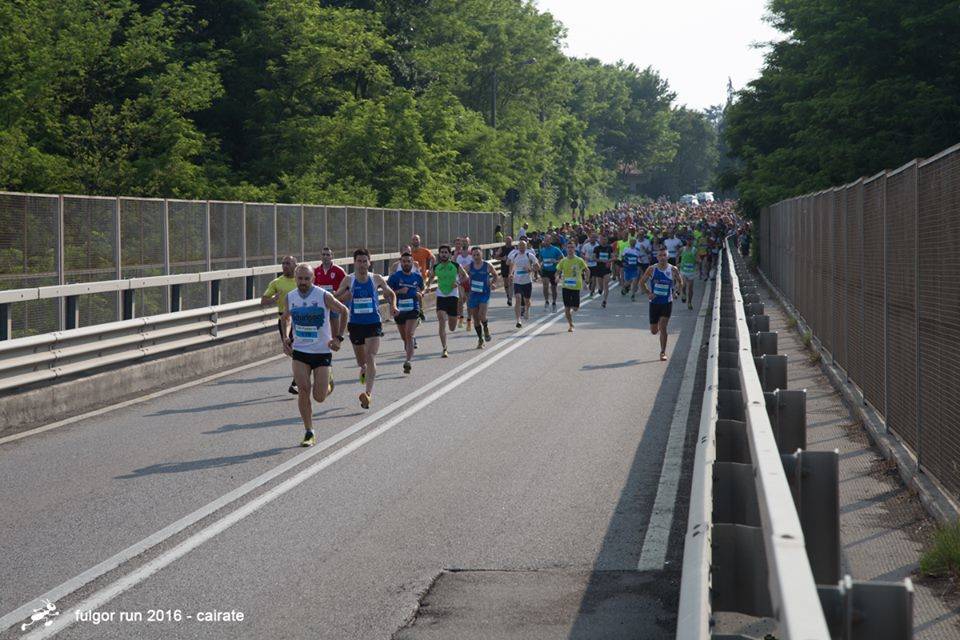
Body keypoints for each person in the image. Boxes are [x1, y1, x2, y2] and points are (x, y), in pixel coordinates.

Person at [281, 263, 348, 447]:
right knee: (303, 390)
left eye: (307, 278)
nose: (303, 282)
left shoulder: (323, 296)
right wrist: (286, 338)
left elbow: (344, 311)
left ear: (313, 279)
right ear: (295, 279)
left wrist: (339, 338)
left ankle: (328, 380)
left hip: (321, 352)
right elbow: (285, 318)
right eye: (300, 278)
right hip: (300, 351)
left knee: (319, 397)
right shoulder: (290, 297)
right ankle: (309, 431)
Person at [335, 248, 399, 409]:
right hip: (355, 324)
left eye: (365, 261)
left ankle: (368, 394)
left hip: (373, 323)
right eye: (359, 261)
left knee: (370, 356)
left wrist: (394, 305)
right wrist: (341, 298)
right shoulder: (348, 280)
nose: (362, 264)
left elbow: (391, 293)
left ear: (369, 263)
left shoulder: (375, 278)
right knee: (361, 361)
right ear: (354, 263)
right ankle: (363, 368)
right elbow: (337, 297)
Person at [260, 255, 299, 395]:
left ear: (295, 264)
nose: (285, 266)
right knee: (290, 350)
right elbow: (263, 301)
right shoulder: (277, 282)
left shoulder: (301, 280)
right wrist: (273, 299)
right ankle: (300, 374)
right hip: (284, 319)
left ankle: (296, 380)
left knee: (298, 350)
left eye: (288, 263)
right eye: (283, 264)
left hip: (301, 318)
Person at [640, 247, 682, 361]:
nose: (662, 257)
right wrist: (648, 293)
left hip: (667, 302)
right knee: (654, 331)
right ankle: (657, 324)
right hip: (654, 303)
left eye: (664, 255)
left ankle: (662, 352)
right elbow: (642, 282)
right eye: (660, 255)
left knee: (663, 327)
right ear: (657, 257)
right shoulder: (651, 269)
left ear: (668, 257)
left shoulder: (673, 269)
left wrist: (676, 292)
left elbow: (680, 282)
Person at [387, 252, 425, 374]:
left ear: (412, 262)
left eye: (408, 261)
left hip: (413, 308)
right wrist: (398, 292)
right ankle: (410, 345)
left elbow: (421, 290)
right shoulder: (395, 277)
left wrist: (419, 294)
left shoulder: (417, 277)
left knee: (409, 334)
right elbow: (386, 294)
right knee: (404, 337)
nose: (406, 263)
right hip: (399, 310)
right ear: (400, 262)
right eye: (404, 261)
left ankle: (408, 361)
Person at [433, 244, 468, 358]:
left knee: (452, 327)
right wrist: (426, 286)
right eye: (441, 252)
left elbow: (465, 276)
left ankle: (453, 318)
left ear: (449, 254)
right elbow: (430, 278)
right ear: (439, 254)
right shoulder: (436, 267)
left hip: (453, 296)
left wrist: (457, 283)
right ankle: (444, 348)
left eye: (445, 252)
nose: (443, 254)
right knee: (441, 319)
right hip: (441, 295)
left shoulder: (456, 265)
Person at [466, 246, 499, 348]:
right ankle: (480, 339)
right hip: (473, 294)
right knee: (475, 318)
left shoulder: (487, 265)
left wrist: (493, 283)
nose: (476, 257)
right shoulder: (469, 266)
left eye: (478, 254)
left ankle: (485, 327)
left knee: (481, 315)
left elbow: (495, 275)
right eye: (474, 255)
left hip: (484, 293)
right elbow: (461, 274)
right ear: (472, 256)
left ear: (481, 254)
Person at [557, 241, 590, 332]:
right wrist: (557, 277)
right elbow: (558, 271)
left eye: (572, 247)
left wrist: (586, 281)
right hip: (566, 287)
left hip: (576, 287)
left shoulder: (579, 260)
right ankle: (571, 325)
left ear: (574, 249)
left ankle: (570, 311)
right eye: (568, 248)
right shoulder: (563, 261)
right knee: (567, 308)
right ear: (566, 249)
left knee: (575, 308)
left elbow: (587, 270)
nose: (570, 249)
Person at [509, 239, 539, 328]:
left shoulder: (529, 255)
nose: (521, 247)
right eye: (520, 246)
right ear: (518, 247)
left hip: (527, 281)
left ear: (526, 247)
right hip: (517, 281)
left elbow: (538, 266)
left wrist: (530, 269)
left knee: (527, 300)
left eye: (523, 246)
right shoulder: (514, 255)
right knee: (518, 299)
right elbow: (512, 266)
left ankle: (527, 309)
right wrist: (510, 274)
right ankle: (518, 320)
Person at [538, 234, 564, 311]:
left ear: (551, 241)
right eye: (545, 240)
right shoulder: (542, 250)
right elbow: (540, 260)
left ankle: (554, 302)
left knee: (553, 288)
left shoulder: (556, 249)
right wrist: (539, 264)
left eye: (548, 240)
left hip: (554, 271)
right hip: (545, 270)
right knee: (545, 285)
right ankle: (546, 301)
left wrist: (555, 261)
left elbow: (563, 259)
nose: (546, 242)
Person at [456, 237, 474, 329]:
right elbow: (453, 264)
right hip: (460, 280)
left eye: (466, 241)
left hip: (469, 280)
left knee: (468, 301)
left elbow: (475, 266)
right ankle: (460, 318)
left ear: (469, 242)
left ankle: (469, 320)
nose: (464, 243)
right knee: (460, 299)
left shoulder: (472, 254)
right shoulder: (457, 254)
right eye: (463, 242)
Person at [592, 234, 614, 308]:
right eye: (602, 239)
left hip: (606, 269)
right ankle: (600, 289)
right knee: (601, 286)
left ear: (607, 240)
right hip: (599, 268)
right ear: (600, 240)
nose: (603, 241)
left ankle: (604, 301)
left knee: (606, 285)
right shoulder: (597, 248)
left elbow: (613, 257)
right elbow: (594, 258)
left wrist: (608, 261)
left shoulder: (609, 248)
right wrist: (601, 260)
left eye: (605, 239)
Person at [678, 238, 698, 310]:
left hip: (691, 271)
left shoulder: (694, 250)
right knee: (684, 285)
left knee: (690, 288)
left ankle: (689, 302)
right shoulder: (682, 249)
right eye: (688, 240)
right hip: (683, 270)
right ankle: (683, 294)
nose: (689, 241)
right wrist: (677, 263)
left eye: (691, 240)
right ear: (686, 241)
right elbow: (678, 256)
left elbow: (697, 258)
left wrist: (698, 261)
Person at [497, 236, 515, 306]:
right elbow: (495, 256)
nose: (508, 243)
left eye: (510, 241)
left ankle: (510, 298)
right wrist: (502, 258)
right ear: (505, 242)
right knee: (506, 283)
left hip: (512, 267)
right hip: (504, 267)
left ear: (512, 241)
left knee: (511, 282)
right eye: (507, 241)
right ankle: (508, 295)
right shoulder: (502, 248)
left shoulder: (514, 249)